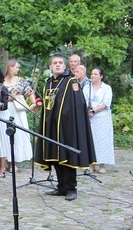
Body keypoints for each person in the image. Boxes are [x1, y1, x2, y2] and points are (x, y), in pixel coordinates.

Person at [35, 54, 96, 201]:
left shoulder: (71, 82)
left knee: (67, 157)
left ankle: (71, 188)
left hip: (67, 127)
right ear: (50, 66)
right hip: (51, 127)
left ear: (64, 66)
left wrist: (67, 121)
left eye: (60, 63)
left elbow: (78, 104)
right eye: (54, 63)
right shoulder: (49, 83)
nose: (57, 65)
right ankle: (61, 187)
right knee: (55, 157)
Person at [3, 59, 35, 172]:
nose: (18, 69)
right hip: (6, 109)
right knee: (6, 133)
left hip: (18, 109)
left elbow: (30, 92)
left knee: (18, 134)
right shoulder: (1, 81)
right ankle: (5, 161)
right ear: (11, 67)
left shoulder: (20, 81)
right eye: (16, 67)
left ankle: (14, 162)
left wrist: (33, 104)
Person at [83, 67, 114, 174]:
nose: (92, 76)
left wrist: (94, 110)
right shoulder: (87, 87)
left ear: (101, 76)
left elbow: (106, 103)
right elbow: (84, 101)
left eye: (95, 74)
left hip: (102, 117)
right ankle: (91, 164)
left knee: (102, 140)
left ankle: (102, 164)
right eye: (92, 74)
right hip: (89, 117)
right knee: (91, 139)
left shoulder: (106, 88)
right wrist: (86, 111)